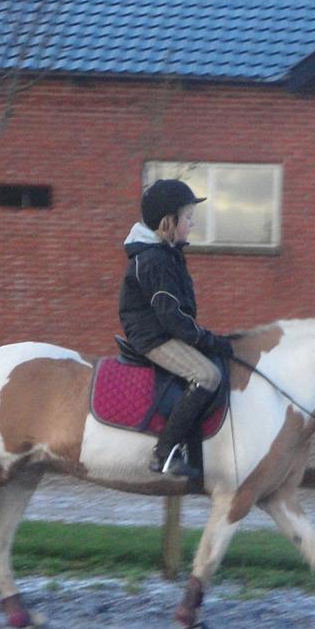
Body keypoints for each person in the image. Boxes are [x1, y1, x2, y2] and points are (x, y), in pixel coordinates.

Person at [119, 179, 235, 478]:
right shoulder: (154, 259)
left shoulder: (167, 252)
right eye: (188, 217)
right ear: (167, 222)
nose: (192, 223)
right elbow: (171, 316)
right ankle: (164, 454)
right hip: (153, 336)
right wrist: (207, 340)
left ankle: (197, 454)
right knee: (207, 375)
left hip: (164, 330)